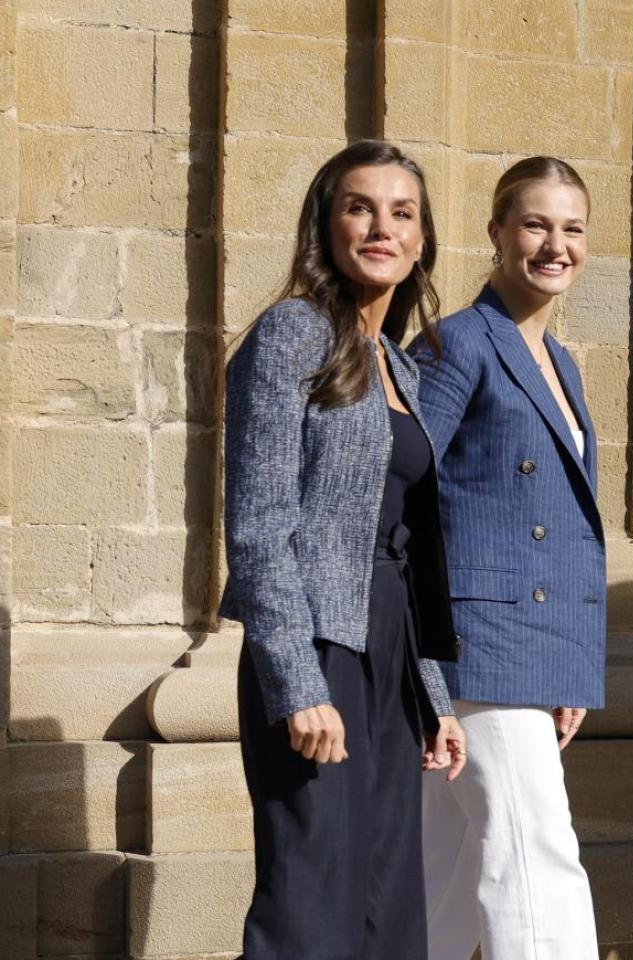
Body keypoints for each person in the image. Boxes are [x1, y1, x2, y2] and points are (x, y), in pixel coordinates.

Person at [220, 138, 468, 959]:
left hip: (391, 644)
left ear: (422, 238)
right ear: (325, 225)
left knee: (389, 895)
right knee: (312, 894)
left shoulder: (399, 361)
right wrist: (295, 682)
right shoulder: (294, 332)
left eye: (402, 213)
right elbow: (259, 525)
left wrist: (434, 694)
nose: (381, 227)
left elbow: (407, 538)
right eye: (360, 207)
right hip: (319, 640)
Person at [412, 156, 605, 960]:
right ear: (495, 232)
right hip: (476, 648)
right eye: (534, 224)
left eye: (571, 228)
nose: (554, 245)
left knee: (449, 878)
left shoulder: (560, 362)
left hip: (530, 652)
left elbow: (562, 528)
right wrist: (424, 668)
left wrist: (568, 671)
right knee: (535, 865)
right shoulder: (456, 344)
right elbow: (405, 492)